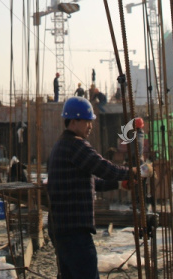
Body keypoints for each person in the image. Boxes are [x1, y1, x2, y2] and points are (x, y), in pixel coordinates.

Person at [47, 97, 138, 279]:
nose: (90, 126)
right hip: (75, 233)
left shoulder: (61, 146)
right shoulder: (76, 146)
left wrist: (119, 183)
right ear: (74, 121)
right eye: (87, 121)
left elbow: (90, 182)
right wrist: (133, 172)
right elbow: (104, 168)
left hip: (62, 229)